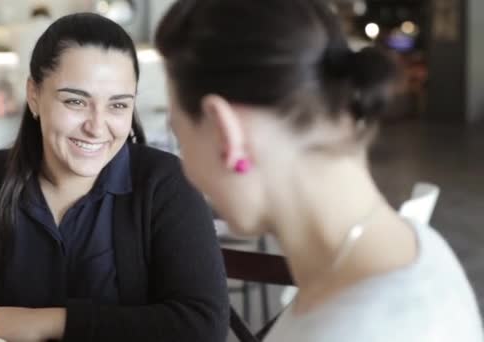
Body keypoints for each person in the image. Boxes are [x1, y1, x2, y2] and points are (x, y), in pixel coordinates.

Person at [0, 13, 228, 342]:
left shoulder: (165, 183)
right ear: (34, 95)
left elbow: (202, 326)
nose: (97, 126)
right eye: (76, 101)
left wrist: (48, 323)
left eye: (118, 105)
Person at [155, 1, 483, 342]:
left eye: (179, 134)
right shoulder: (419, 244)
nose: (187, 168)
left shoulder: (356, 329)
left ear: (225, 133)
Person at [0, 5, 54, 101]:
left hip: (23, 84)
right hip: (48, 84)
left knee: (27, 112)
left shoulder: (20, 30)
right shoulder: (56, 30)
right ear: (48, 15)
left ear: (32, 17)